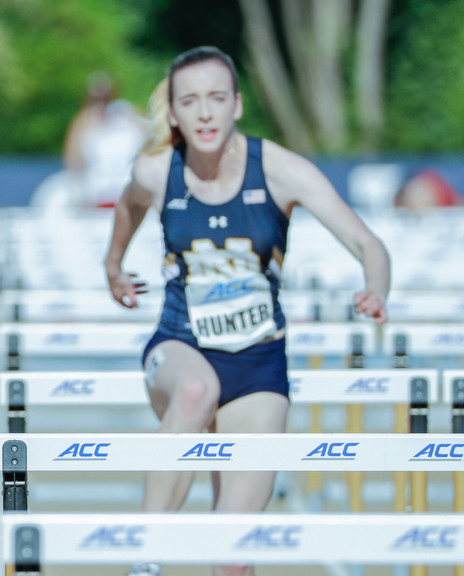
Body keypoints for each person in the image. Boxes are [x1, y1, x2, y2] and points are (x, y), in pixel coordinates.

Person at [103, 47, 389, 576]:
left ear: (237, 104)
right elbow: (128, 205)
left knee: (232, 560)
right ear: (174, 113)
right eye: (190, 101)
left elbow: (369, 243)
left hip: (258, 365)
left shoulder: (280, 169)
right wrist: (113, 266)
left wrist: (375, 289)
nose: (205, 113)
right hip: (179, 346)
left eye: (216, 98)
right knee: (195, 391)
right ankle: (143, 554)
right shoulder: (156, 170)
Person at [62, 71, 145, 209]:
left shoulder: (129, 114)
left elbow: (152, 141)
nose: (101, 103)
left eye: (105, 97)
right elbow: (73, 163)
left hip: (131, 195)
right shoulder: (82, 123)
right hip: (97, 198)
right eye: (95, 98)